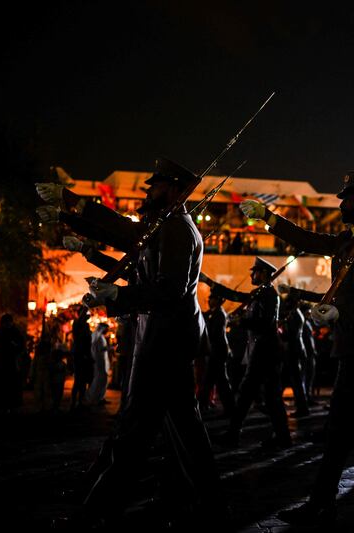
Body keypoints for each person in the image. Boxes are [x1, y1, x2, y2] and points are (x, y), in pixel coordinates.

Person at [40, 158, 221, 524]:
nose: (148, 192)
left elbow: (168, 291)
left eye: (155, 187)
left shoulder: (178, 231)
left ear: (172, 189)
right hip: (163, 337)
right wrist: (70, 215)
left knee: (136, 429)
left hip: (167, 341)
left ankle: (98, 508)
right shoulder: (164, 227)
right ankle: (204, 503)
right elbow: (121, 232)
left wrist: (118, 296)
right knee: (182, 429)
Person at [241, 171, 354, 526]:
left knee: (340, 426)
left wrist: (341, 309)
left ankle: (322, 502)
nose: (342, 203)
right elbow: (310, 239)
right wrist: (268, 218)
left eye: (350, 198)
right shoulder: (351, 238)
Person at [199, 259, 292, 448]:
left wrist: (241, 322)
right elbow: (235, 295)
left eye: (255, 272)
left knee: (253, 395)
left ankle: (237, 435)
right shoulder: (260, 293)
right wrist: (209, 282)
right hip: (262, 351)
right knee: (257, 396)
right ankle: (276, 437)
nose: (251, 276)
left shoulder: (267, 294)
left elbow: (265, 324)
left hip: (265, 352)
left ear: (264, 273)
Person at [196, 293, 236, 418]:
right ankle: (203, 406)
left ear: (217, 300)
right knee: (211, 381)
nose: (209, 301)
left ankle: (230, 409)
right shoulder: (216, 312)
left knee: (219, 382)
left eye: (212, 299)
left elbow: (214, 334)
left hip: (218, 351)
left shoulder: (219, 314)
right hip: (217, 351)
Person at [70, 306, 93, 410]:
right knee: (78, 379)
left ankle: (80, 401)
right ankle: (74, 402)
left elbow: (88, 340)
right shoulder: (77, 323)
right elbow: (80, 338)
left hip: (85, 354)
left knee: (84, 379)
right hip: (79, 354)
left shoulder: (86, 325)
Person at [86, 322, 110, 406]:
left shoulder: (101, 337)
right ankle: (94, 397)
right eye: (106, 329)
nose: (108, 331)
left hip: (102, 361)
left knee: (103, 380)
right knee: (100, 380)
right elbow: (100, 349)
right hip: (99, 362)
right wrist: (110, 348)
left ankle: (100, 397)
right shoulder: (99, 338)